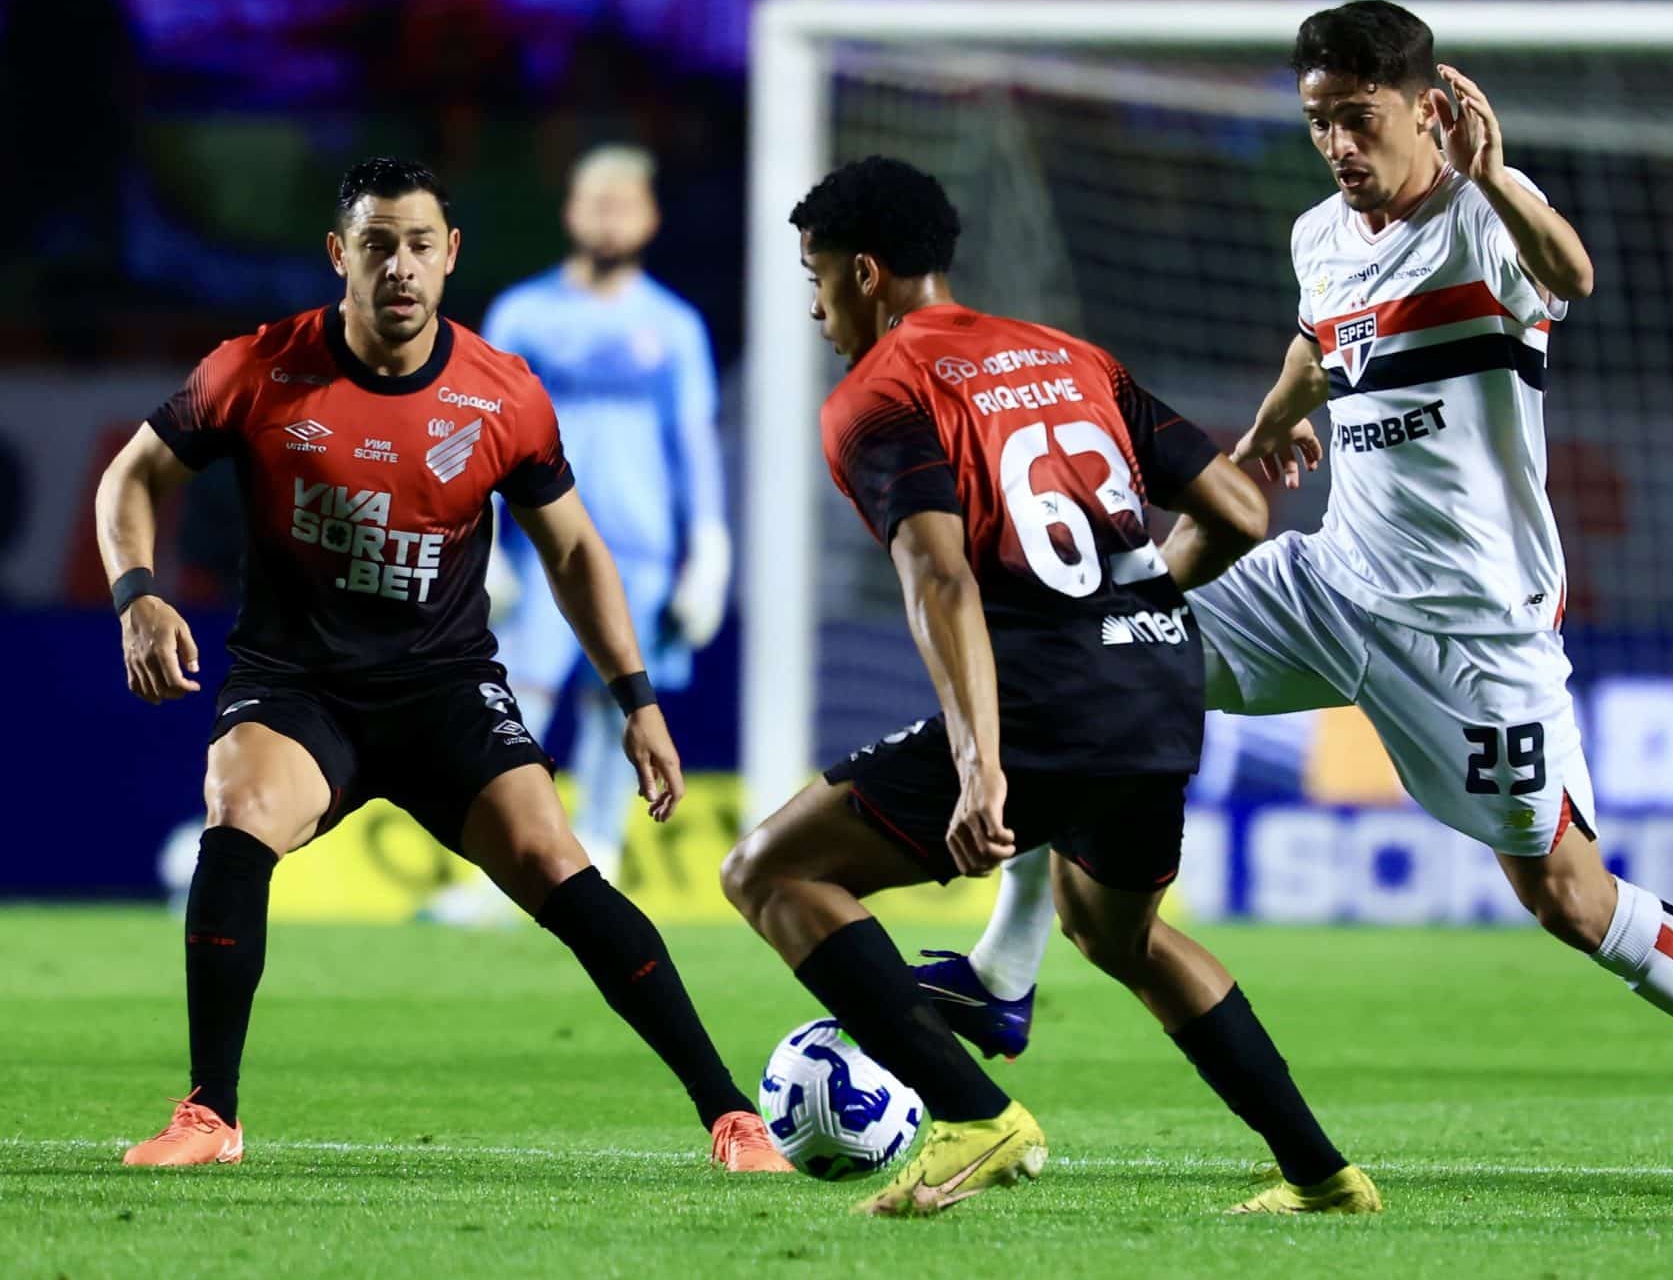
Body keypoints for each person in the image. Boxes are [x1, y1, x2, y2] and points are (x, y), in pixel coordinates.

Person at [915, 0, 1673, 1204]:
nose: (1335, 145)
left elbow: (1570, 274)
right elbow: (1321, 338)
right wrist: (1273, 423)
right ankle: (1005, 972)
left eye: (1356, 118)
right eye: (1317, 120)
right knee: (1098, 645)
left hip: (1471, 634)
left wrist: (1498, 176)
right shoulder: (1319, 232)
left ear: (1425, 108)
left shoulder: (1482, 220)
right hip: (1331, 580)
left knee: (1567, 897)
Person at [95, 157, 788, 1173]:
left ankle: (732, 1116)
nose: (400, 266)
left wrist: (636, 698)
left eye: (419, 244)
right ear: (339, 255)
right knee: (238, 811)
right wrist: (136, 594)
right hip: (298, 686)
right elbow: (132, 475)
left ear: (450, 254)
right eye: (377, 244)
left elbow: (575, 550)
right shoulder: (259, 368)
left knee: (556, 861)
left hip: (444, 686)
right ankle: (210, 1113)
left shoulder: (502, 393)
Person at [719, 155, 1378, 1219]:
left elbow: (940, 579)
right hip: (1157, 684)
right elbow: (1242, 511)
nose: (813, 304)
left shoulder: (878, 396)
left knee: (770, 870)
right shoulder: (1072, 356)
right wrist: (1133, 608)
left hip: (1043, 707)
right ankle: (1325, 1175)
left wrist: (981, 765)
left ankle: (974, 1116)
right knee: (1117, 934)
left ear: (866, 272)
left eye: (817, 275)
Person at [423, 144, 729, 923]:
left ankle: (599, 855)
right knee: (515, 698)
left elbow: (694, 444)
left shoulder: (674, 326)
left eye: (625, 203)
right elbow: (477, 430)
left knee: (616, 702)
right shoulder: (523, 315)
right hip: (542, 546)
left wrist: (710, 548)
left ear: (651, 217)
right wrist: (478, 539)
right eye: (597, 202)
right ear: (570, 212)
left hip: (640, 550)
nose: (609, 218)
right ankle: (502, 863)